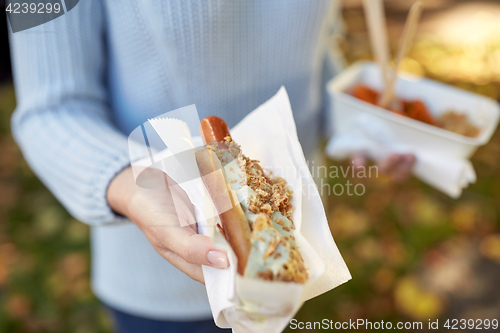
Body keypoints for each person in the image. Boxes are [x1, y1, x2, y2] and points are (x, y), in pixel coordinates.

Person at [9, 1, 414, 332]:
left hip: (296, 241)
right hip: (160, 287)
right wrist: (132, 187)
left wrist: (352, 122)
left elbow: (318, 40)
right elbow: (48, 111)